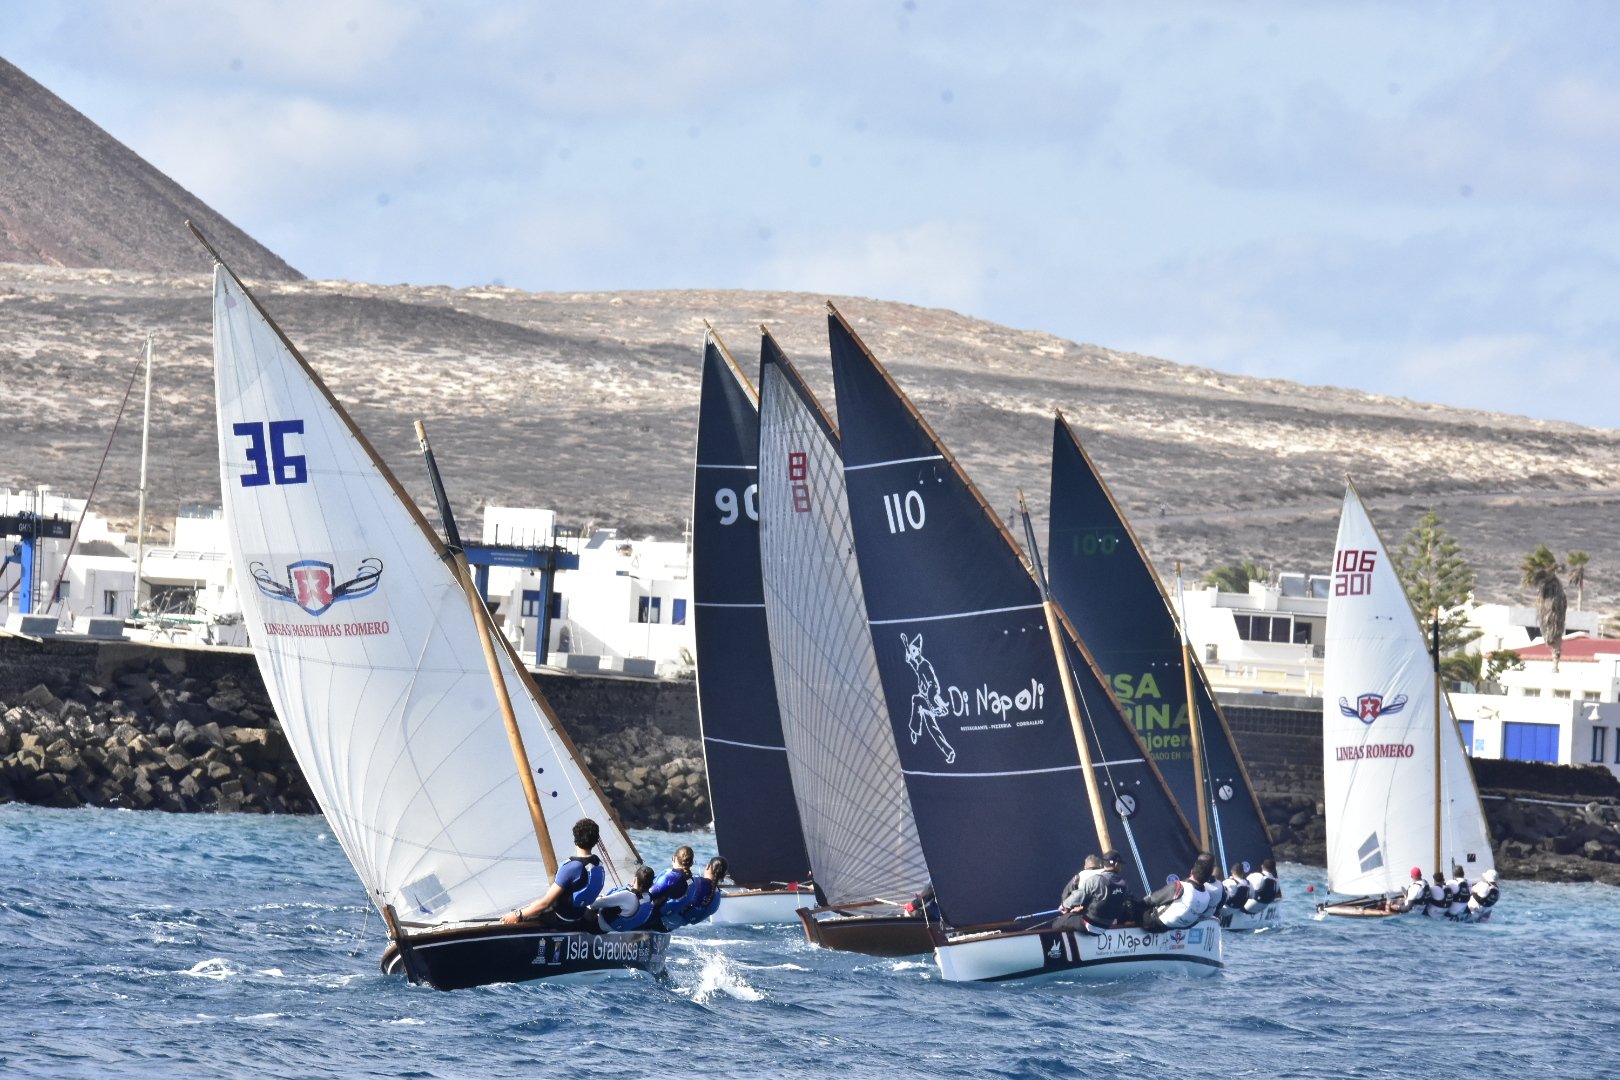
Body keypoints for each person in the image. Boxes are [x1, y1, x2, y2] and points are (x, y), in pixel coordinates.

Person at [501, 818, 605, 928]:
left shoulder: (572, 867)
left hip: (560, 918)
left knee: (523, 915)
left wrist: (517, 914)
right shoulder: (598, 863)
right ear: (595, 841)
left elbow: (545, 904)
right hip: (578, 915)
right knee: (535, 905)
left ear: (575, 837)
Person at [1142, 852, 1222, 932]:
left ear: (1191, 871)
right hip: (1180, 928)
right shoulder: (1207, 896)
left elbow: (1153, 900)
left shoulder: (1181, 887)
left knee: (1138, 905)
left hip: (1156, 924)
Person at [590, 865, 656, 932]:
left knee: (587, 908)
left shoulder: (627, 896)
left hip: (601, 925)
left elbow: (594, 904)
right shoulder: (648, 899)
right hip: (620, 928)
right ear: (651, 885)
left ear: (635, 879)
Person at [669, 856, 728, 928]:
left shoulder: (696, 882)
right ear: (723, 875)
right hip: (677, 924)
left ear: (708, 866)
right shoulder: (717, 897)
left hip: (664, 920)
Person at [648, 845, 696, 928]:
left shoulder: (671, 878)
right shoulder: (693, 882)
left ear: (674, 858)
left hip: (652, 920)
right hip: (669, 923)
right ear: (692, 863)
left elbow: (649, 895)